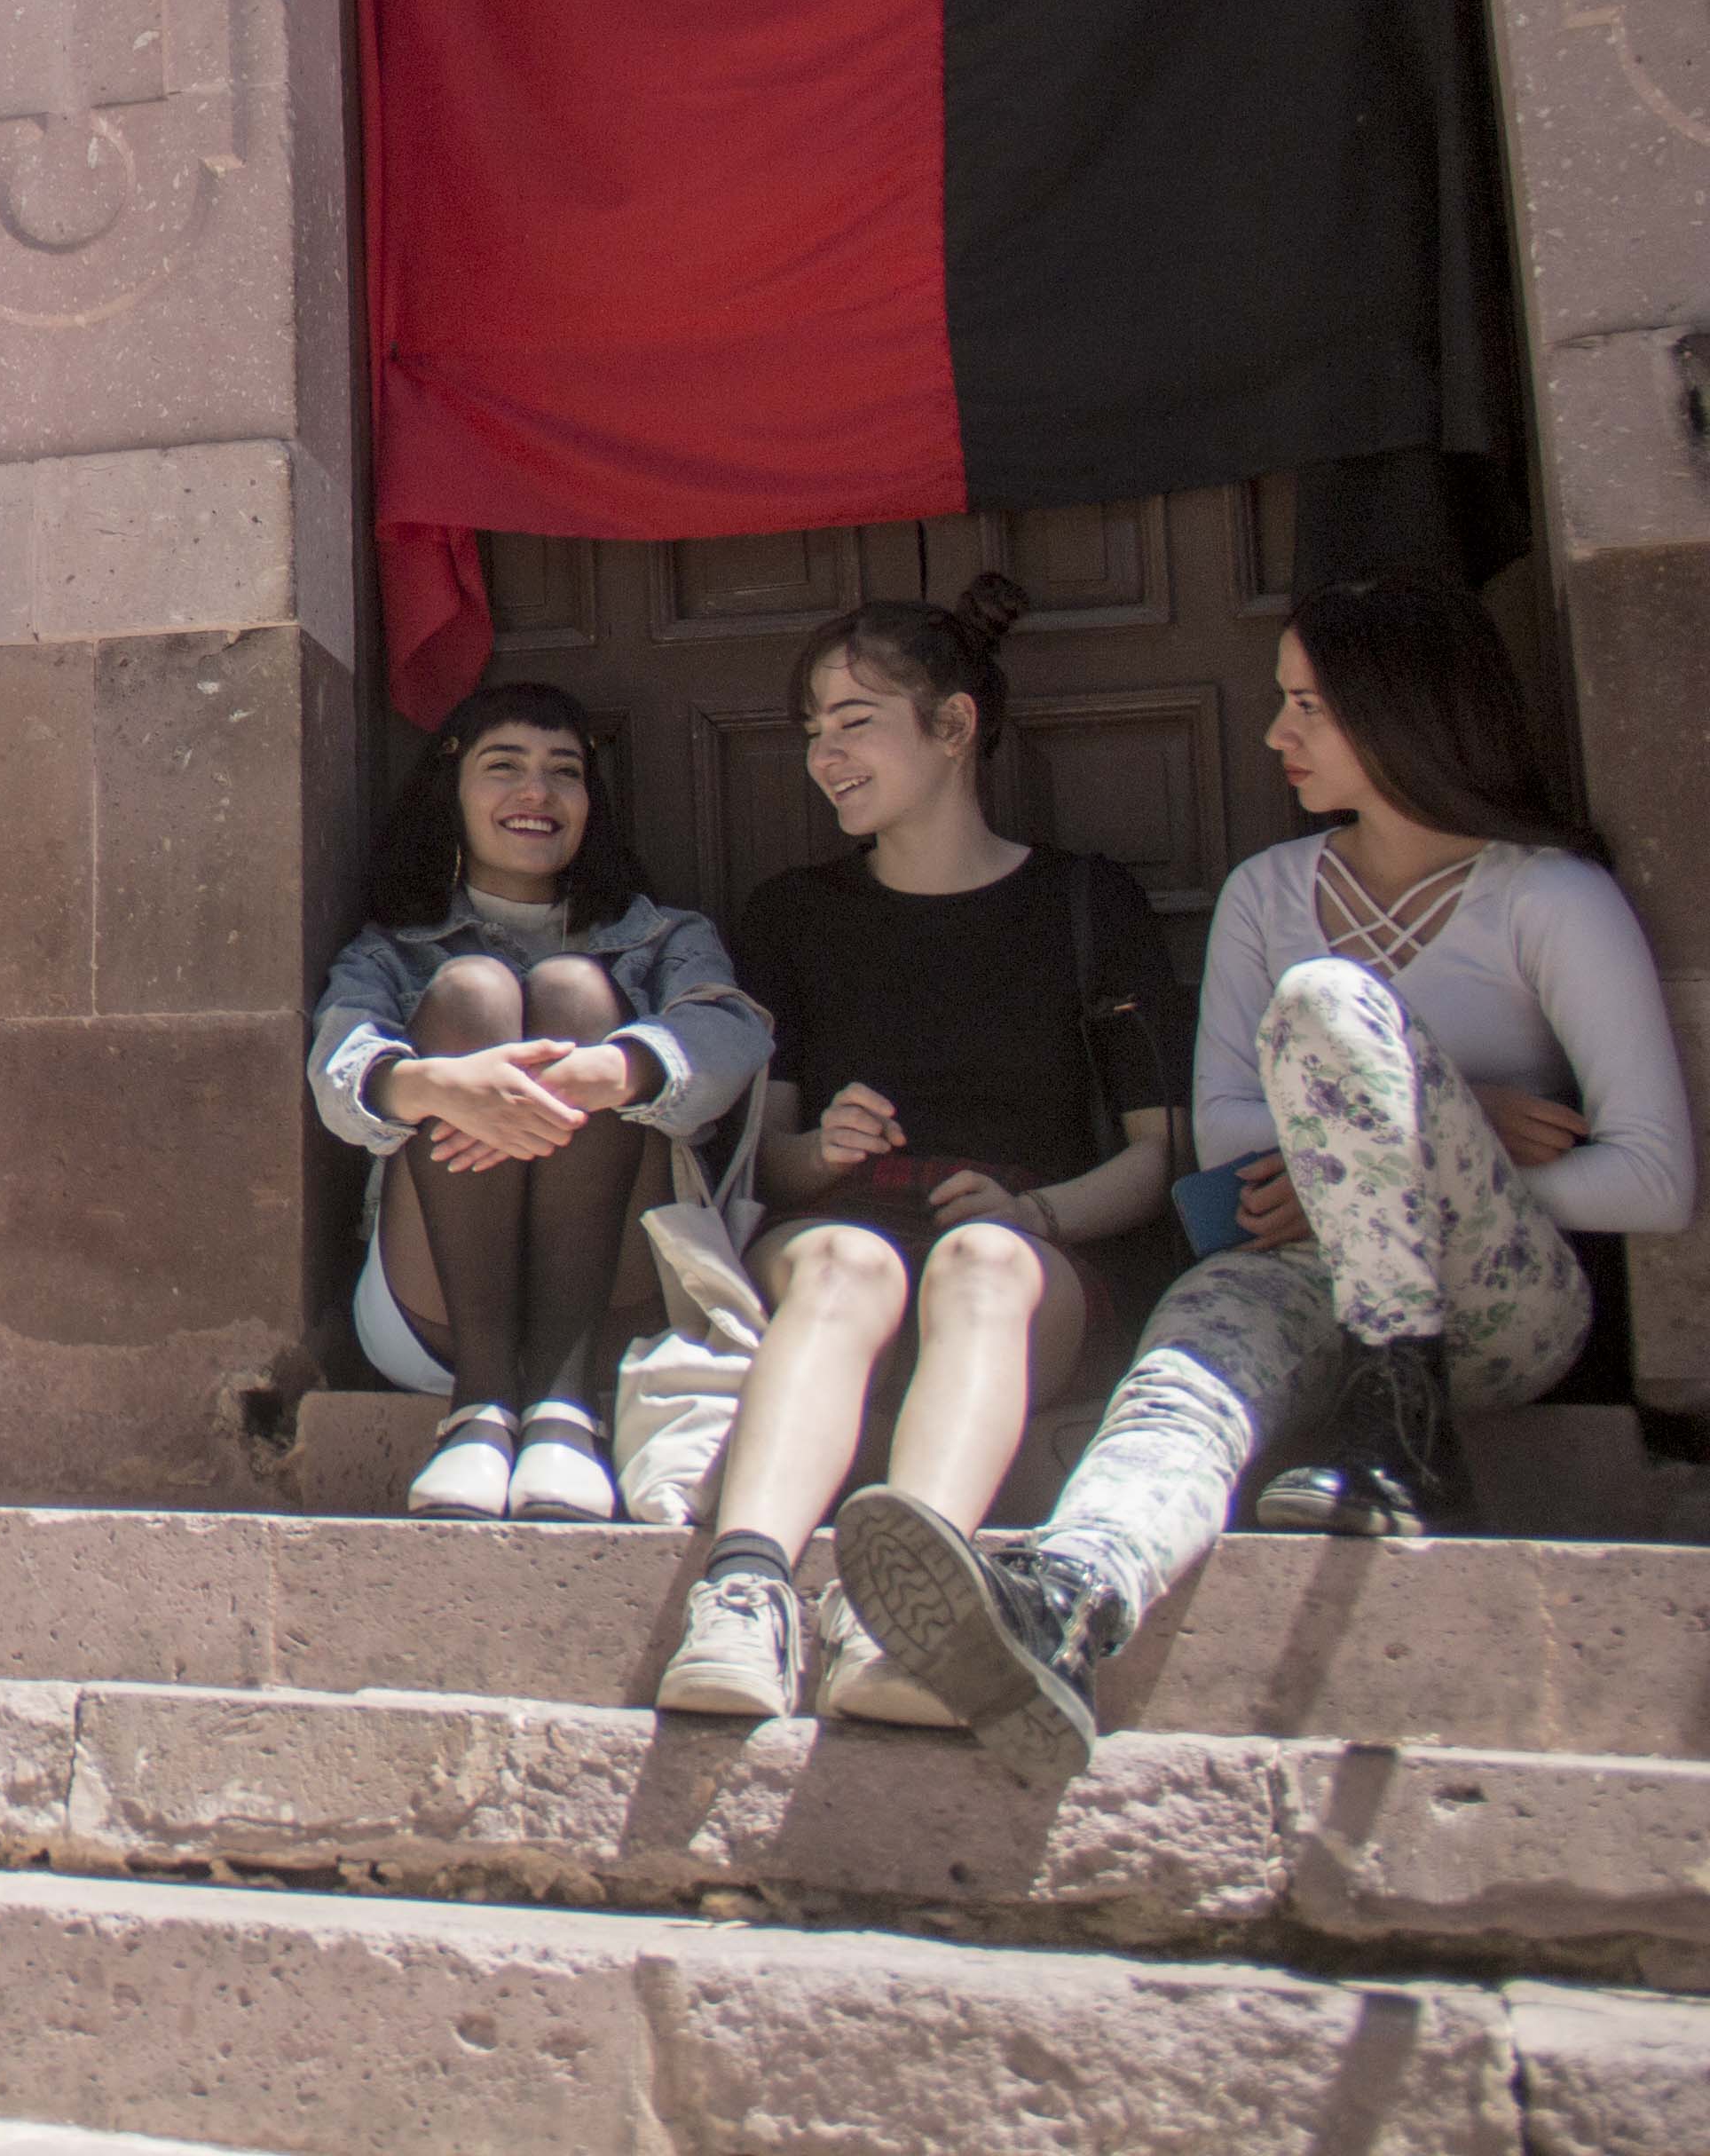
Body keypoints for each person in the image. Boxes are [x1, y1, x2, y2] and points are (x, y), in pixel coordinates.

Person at [839, 573, 1698, 1784]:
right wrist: (1371, 1153)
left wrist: (1409, 1149)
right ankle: (1067, 1598)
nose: (1274, 735)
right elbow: (1229, 1126)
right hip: (1299, 1283)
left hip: (1500, 1310)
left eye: (1309, 707)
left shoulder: (1547, 898)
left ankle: (1407, 1441)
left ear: (1403, 713)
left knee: (1330, 1005)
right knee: (1188, 1368)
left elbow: (1653, 1180)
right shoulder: (1269, 892)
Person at [652, 582, 1182, 1718]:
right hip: (843, 1248)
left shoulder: (1088, 901)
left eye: (855, 723)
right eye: (812, 731)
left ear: (953, 727)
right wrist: (823, 1154)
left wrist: (1035, 1219)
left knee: (975, 1263)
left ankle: (905, 1621)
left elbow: (1154, 1156)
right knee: (854, 1263)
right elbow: (770, 1167)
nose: (825, 757)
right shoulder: (794, 914)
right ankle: (744, 1597)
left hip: (1024, 1263)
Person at [311, 685, 768, 1519]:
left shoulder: (663, 936)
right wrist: (439, 1086)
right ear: (452, 793)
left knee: (574, 991)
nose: (537, 793)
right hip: (434, 1315)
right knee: (473, 994)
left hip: (621, 1305)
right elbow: (336, 1070)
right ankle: (480, 1409)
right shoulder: (390, 947)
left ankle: (563, 1408)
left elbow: (732, 1040)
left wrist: (615, 1073)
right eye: (504, 767)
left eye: (565, 771)